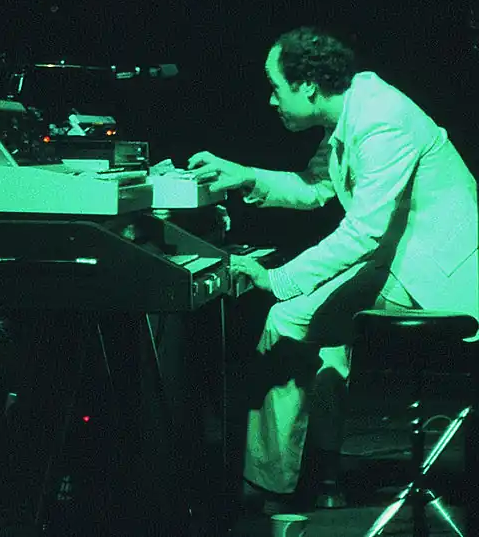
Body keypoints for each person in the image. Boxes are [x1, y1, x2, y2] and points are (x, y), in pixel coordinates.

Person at [187, 27, 479, 508]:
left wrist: (277, 279)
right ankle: (324, 478)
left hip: (436, 274)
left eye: (276, 87)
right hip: (401, 258)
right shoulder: (352, 109)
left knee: (285, 321)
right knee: (325, 340)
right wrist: (244, 176)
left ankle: (267, 491)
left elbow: (363, 231)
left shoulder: (381, 120)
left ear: (307, 86)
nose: (271, 100)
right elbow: (315, 186)